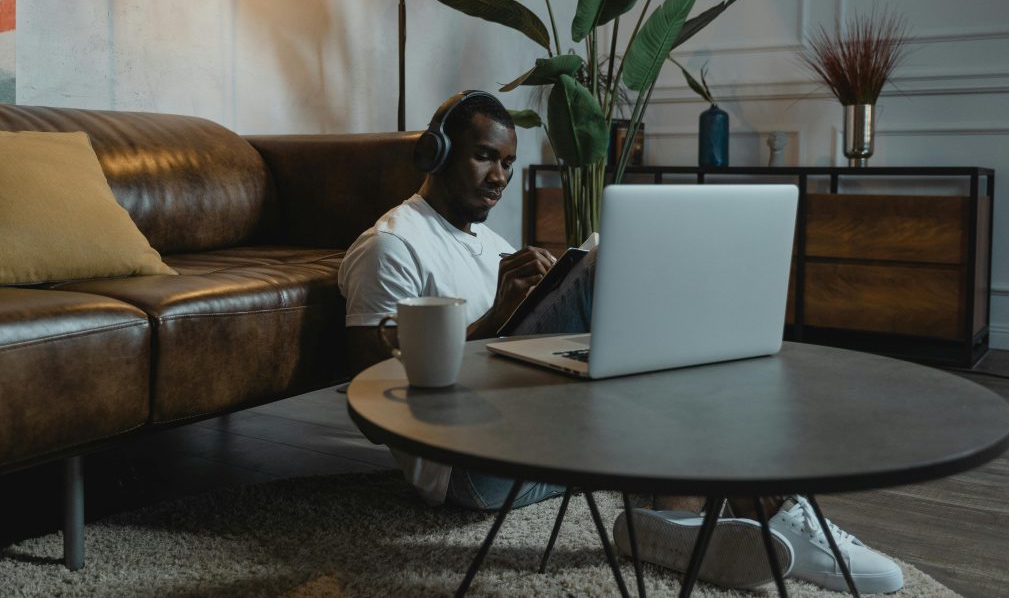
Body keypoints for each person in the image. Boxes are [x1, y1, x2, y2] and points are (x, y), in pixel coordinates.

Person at [338, 90, 903, 594]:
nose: (500, 176)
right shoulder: (392, 246)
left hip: (527, 437)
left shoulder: (487, 241)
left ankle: (678, 523)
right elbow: (371, 393)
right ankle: (772, 515)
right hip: (468, 469)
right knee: (610, 263)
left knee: (652, 372)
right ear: (434, 154)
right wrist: (499, 318)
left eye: (508, 162)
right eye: (485, 156)